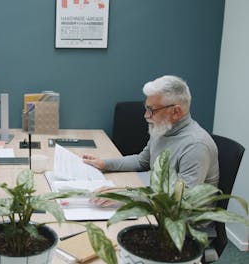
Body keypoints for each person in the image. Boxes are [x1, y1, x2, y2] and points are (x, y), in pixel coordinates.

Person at [83, 75, 219, 206]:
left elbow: (182, 199)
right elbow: (142, 161)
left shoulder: (196, 145)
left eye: (151, 110)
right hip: (156, 205)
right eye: (146, 108)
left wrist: (126, 195)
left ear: (176, 112)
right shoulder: (163, 129)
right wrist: (104, 164)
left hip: (182, 223)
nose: (146, 115)